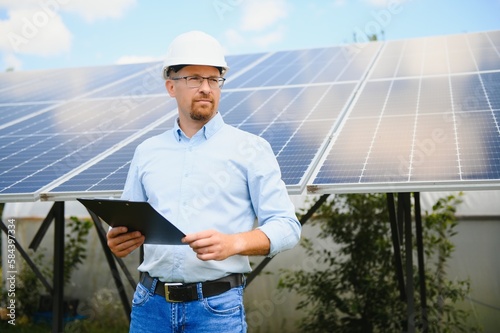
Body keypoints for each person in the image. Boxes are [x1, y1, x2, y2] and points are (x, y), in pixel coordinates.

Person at [106, 30, 301, 333]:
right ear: (171, 86)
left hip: (216, 309)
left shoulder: (252, 149)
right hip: (149, 307)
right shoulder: (147, 152)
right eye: (194, 78)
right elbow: (130, 220)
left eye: (214, 79)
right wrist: (118, 238)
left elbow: (287, 226)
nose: (206, 88)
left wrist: (234, 243)